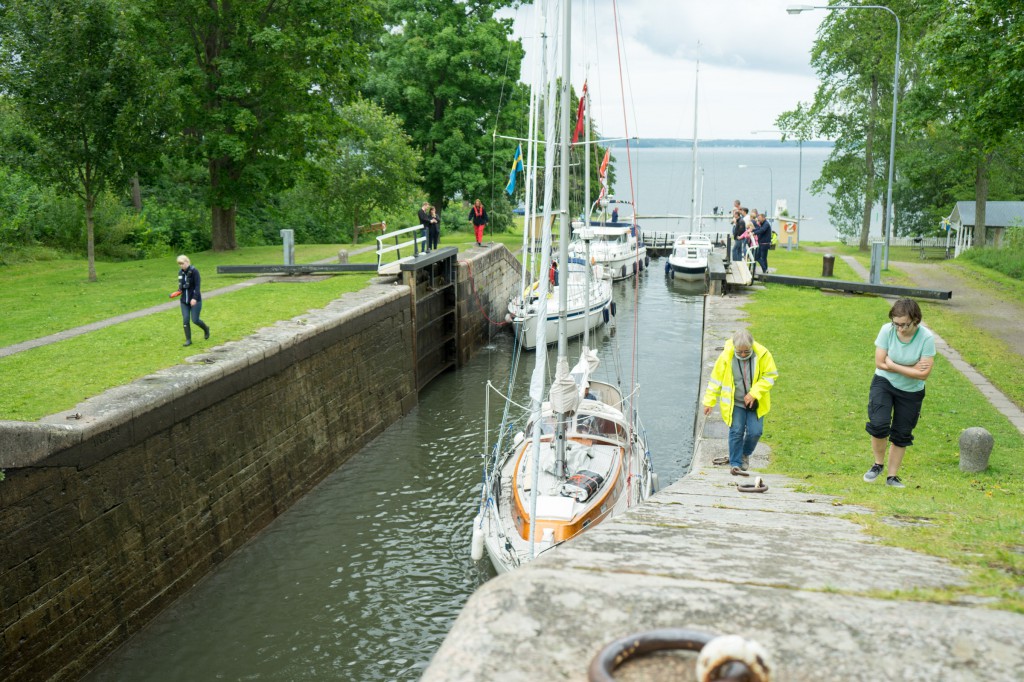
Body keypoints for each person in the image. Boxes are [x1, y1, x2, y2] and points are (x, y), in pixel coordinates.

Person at [863, 298, 936, 488]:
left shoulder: (926, 338)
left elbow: (923, 375)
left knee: (902, 433)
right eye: (897, 324)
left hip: (911, 391)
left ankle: (892, 477)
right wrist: (911, 366)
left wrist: (893, 364)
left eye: (905, 325)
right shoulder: (887, 330)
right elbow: (880, 363)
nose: (900, 329)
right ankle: (878, 464)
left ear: (916, 320)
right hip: (884, 383)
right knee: (878, 424)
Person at [703, 330, 778, 473]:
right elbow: (715, 380)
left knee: (755, 432)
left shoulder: (763, 354)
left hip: (754, 403)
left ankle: (745, 453)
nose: (743, 354)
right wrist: (709, 402)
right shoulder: (725, 357)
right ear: (734, 347)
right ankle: (735, 463)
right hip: (735, 403)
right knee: (736, 431)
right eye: (740, 352)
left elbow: (770, 376)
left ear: (751, 346)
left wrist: (754, 393)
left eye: (746, 351)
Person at [176, 255, 210, 347]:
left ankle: (206, 329)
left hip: (195, 300)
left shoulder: (195, 271)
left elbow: (197, 287)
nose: (181, 266)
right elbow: (181, 287)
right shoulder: (180, 273)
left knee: (195, 320)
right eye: (179, 264)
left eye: (182, 263)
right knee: (185, 319)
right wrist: (177, 292)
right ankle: (188, 340)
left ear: (187, 262)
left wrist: (194, 298)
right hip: (184, 301)